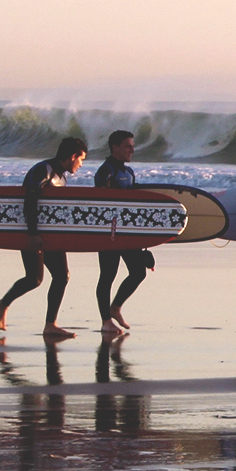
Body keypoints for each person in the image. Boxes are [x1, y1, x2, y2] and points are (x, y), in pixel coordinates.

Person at [0, 136, 87, 338]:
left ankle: (50, 325)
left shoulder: (62, 177)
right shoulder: (42, 170)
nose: (81, 165)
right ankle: (3, 304)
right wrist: (33, 233)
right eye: (81, 159)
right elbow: (30, 201)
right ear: (72, 156)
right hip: (31, 231)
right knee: (34, 279)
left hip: (51, 235)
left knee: (62, 276)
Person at [92, 129, 150, 334]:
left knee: (138, 272)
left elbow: (134, 207)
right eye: (127, 146)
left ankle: (115, 307)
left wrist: (144, 244)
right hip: (109, 233)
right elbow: (101, 202)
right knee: (107, 275)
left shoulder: (129, 173)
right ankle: (105, 320)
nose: (132, 149)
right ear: (115, 147)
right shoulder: (105, 171)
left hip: (126, 232)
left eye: (132, 145)